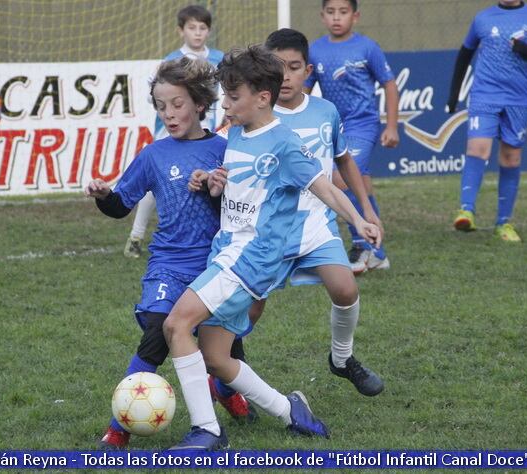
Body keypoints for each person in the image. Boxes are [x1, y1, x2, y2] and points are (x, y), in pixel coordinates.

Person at [163, 46, 381, 450]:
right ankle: (290, 410)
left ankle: (207, 430)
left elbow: (325, 188)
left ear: (262, 98)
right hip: (227, 249)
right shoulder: (240, 133)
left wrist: (360, 220)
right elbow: (245, 186)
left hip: (249, 257)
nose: (225, 105)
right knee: (215, 355)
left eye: (233, 97)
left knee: (176, 324)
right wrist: (216, 181)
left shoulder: (283, 143)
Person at [86, 57, 254, 450]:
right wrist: (104, 195)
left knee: (225, 349)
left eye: (177, 104)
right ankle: (119, 426)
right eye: (161, 106)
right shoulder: (153, 155)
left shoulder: (225, 150)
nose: (169, 113)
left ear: (199, 103)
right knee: (159, 331)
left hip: (216, 264)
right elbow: (120, 205)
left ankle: (226, 390)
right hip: (169, 265)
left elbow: (238, 212)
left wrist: (214, 190)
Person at [244, 28, 383, 397]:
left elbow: (345, 160)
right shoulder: (256, 115)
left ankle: (342, 358)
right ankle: (225, 372)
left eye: (293, 67)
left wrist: (366, 210)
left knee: (345, 288)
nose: (285, 76)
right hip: (268, 231)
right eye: (276, 68)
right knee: (249, 312)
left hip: (317, 223)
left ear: (308, 70)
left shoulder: (325, 111)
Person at [447, 0, 527, 242]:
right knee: (478, 148)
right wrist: (454, 93)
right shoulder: (483, 18)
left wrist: (526, 50)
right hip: (485, 93)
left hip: (519, 97)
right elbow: (465, 54)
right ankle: (466, 210)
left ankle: (503, 223)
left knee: (511, 157)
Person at [124, 4, 225, 259]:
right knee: (154, 185)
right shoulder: (170, 61)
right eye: (192, 27)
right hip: (169, 134)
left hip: (205, 133)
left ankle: (207, 239)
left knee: (205, 185)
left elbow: (223, 95)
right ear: (181, 31)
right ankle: (136, 236)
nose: (198, 33)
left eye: (203, 28)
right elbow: (156, 98)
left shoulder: (218, 59)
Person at [305, 0, 399, 273]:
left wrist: (391, 126)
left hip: (363, 125)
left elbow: (390, 85)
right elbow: (306, 91)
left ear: (355, 16)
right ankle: (378, 253)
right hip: (334, 126)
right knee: (362, 188)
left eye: (343, 12)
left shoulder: (367, 47)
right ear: (322, 16)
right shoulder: (316, 50)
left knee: (341, 177)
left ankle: (360, 244)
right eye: (331, 12)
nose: (337, 18)